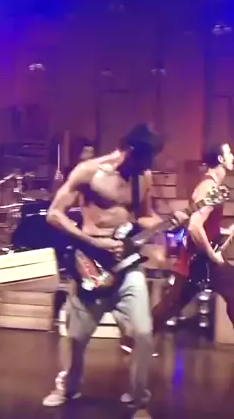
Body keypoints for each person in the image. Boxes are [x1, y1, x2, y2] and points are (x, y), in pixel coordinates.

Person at [42, 124, 164, 417]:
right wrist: (94, 241)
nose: (148, 166)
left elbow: (145, 216)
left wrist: (164, 229)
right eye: (145, 159)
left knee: (144, 333)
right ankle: (68, 387)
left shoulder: (143, 177)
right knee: (76, 339)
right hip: (91, 266)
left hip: (128, 266)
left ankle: (139, 399)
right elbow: (54, 214)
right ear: (130, 151)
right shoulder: (89, 172)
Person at [151, 143, 234, 361]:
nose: (233, 157)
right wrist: (211, 254)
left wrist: (227, 231)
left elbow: (205, 226)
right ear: (219, 159)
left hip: (199, 259)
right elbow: (194, 227)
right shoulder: (209, 188)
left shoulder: (212, 186)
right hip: (200, 259)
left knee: (174, 303)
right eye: (229, 153)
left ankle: (136, 337)